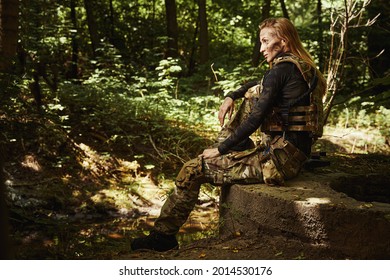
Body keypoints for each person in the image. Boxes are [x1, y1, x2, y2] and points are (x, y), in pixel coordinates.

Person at [131, 17, 326, 252]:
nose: (262, 48)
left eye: (265, 41)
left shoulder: (282, 71)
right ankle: (236, 149)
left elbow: (255, 118)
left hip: (279, 160)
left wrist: (220, 149)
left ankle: (163, 237)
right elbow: (258, 83)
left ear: (282, 41)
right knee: (251, 94)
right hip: (292, 153)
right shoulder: (301, 67)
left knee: (192, 170)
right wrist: (231, 95)